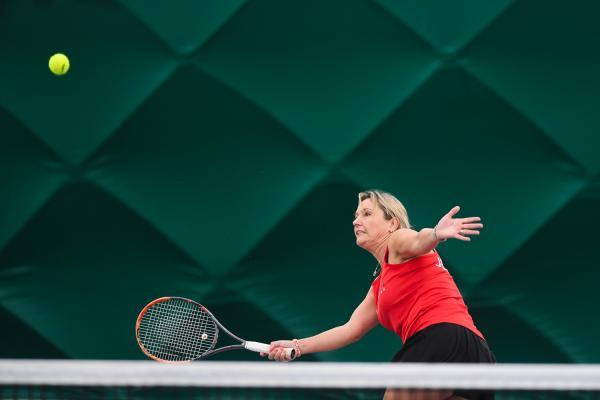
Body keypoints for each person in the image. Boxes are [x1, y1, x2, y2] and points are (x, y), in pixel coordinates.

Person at [261, 190, 496, 400]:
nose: (356, 221)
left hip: (441, 340)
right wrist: (296, 346)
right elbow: (351, 330)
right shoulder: (381, 284)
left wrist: (436, 233)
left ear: (392, 223)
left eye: (366, 213)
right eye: (356, 215)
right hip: (476, 352)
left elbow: (418, 240)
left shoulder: (398, 239)